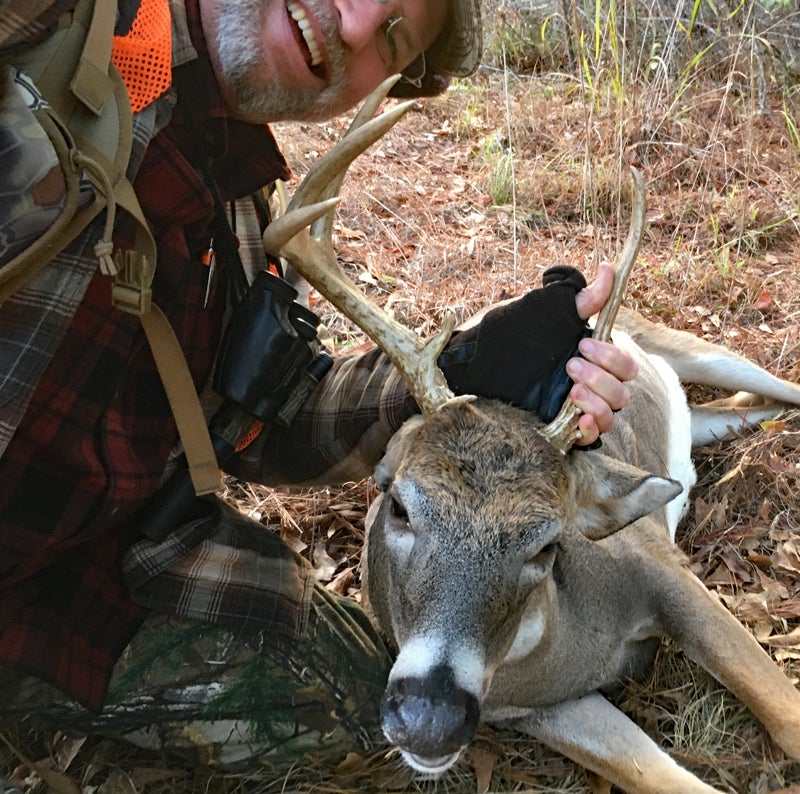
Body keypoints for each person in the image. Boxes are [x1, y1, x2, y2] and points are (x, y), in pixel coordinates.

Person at [0, 0, 638, 773]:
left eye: (394, 37)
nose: (360, 20)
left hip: (75, 578)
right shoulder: (49, 24)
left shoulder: (236, 211)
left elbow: (272, 423)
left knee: (344, 698)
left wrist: (468, 363)